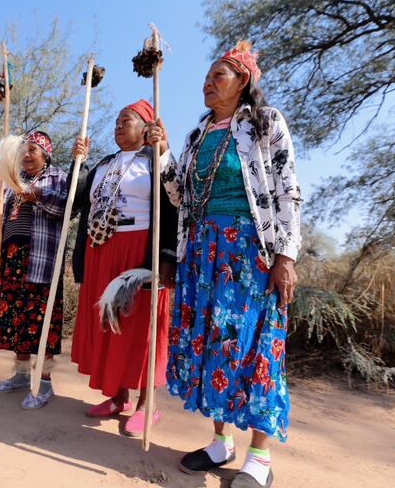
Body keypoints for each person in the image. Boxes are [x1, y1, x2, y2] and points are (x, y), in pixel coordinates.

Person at [149, 41, 301, 488]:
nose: (207, 83)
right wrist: (161, 154)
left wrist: (286, 256)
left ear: (244, 81)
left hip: (250, 253)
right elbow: (180, 196)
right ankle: (221, 443)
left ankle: (260, 455)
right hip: (201, 253)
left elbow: (288, 187)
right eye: (206, 76)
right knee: (209, 345)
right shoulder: (196, 137)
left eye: (218, 75)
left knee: (253, 345)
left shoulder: (266, 123)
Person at [69, 99, 177, 436]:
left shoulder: (155, 160)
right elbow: (75, 203)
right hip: (101, 246)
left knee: (142, 326)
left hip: (139, 249)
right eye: (116, 120)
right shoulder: (103, 163)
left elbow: (174, 203)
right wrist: (78, 164)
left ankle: (147, 406)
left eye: (126, 119)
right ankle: (118, 397)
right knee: (110, 323)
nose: (118, 125)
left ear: (146, 127)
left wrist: (168, 255)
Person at [0, 131, 68, 410]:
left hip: (40, 258)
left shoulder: (57, 175)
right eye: (24, 150)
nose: (26, 154)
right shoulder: (12, 180)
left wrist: (37, 195)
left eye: (33, 149)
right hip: (12, 257)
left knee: (41, 320)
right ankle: (21, 374)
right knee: (15, 318)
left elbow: (63, 207)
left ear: (45, 153)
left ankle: (43, 383)